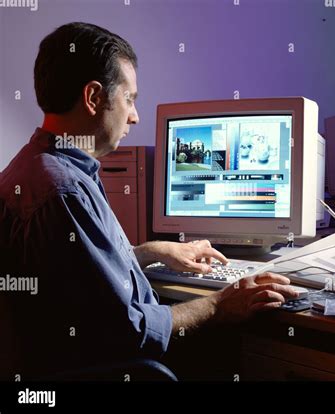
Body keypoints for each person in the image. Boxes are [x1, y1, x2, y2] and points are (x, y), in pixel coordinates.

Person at [0, 22, 298, 380]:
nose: (135, 116)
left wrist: (148, 251)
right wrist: (220, 304)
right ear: (94, 98)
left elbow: (72, 274)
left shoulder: (33, 168)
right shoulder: (64, 192)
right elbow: (131, 332)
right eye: (130, 99)